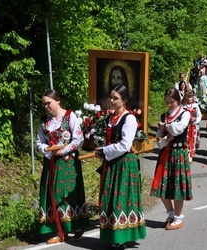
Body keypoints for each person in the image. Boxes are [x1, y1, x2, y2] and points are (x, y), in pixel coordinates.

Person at [95, 84, 146, 249]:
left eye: (115, 98)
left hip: (124, 163)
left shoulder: (129, 118)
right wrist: (102, 149)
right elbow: (110, 140)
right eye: (111, 97)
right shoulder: (111, 117)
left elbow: (125, 145)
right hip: (112, 162)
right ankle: (113, 234)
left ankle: (122, 236)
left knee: (120, 199)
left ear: (124, 100)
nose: (111, 100)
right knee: (109, 198)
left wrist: (105, 150)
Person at [35, 89, 89, 244]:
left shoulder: (69, 116)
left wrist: (63, 150)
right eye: (43, 104)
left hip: (68, 162)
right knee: (51, 193)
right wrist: (48, 152)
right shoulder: (45, 121)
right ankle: (59, 230)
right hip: (51, 162)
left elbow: (78, 138)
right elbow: (39, 142)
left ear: (58, 100)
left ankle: (74, 224)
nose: (46, 107)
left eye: (48, 103)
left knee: (65, 193)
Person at [150, 87, 193, 230]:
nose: (169, 105)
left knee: (176, 188)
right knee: (162, 186)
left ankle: (178, 217)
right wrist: (164, 139)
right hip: (165, 154)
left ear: (178, 100)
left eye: (172, 102)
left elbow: (178, 129)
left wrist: (167, 127)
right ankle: (171, 213)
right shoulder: (164, 116)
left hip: (178, 154)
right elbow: (159, 136)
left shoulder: (184, 114)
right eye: (167, 102)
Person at [182, 90, 202, 164]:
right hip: (185, 126)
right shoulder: (182, 106)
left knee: (192, 139)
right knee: (186, 139)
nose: (190, 99)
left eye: (191, 97)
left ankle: (191, 155)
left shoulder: (195, 106)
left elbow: (199, 115)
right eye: (189, 97)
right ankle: (186, 154)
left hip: (193, 126)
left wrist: (195, 119)